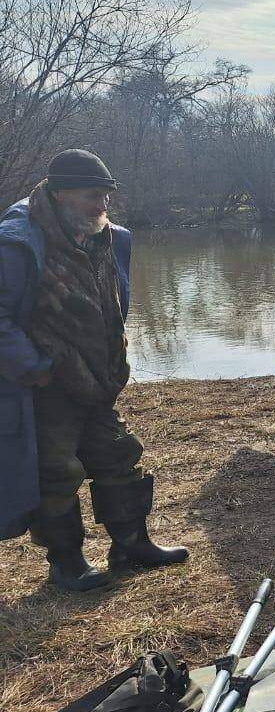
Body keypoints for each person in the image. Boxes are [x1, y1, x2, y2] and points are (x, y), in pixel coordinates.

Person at [0, 150, 188, 592]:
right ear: (60, 193)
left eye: (106, 196)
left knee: (119, 454)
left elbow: (114, 303)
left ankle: (131, 546)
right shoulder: (17, 241)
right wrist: (36, 369)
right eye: (92, 196)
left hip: (97, 380)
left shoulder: (110, 237)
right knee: (58, 470)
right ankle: (67, 564)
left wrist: (113, 356)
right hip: (44, 382)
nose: (102, 205)